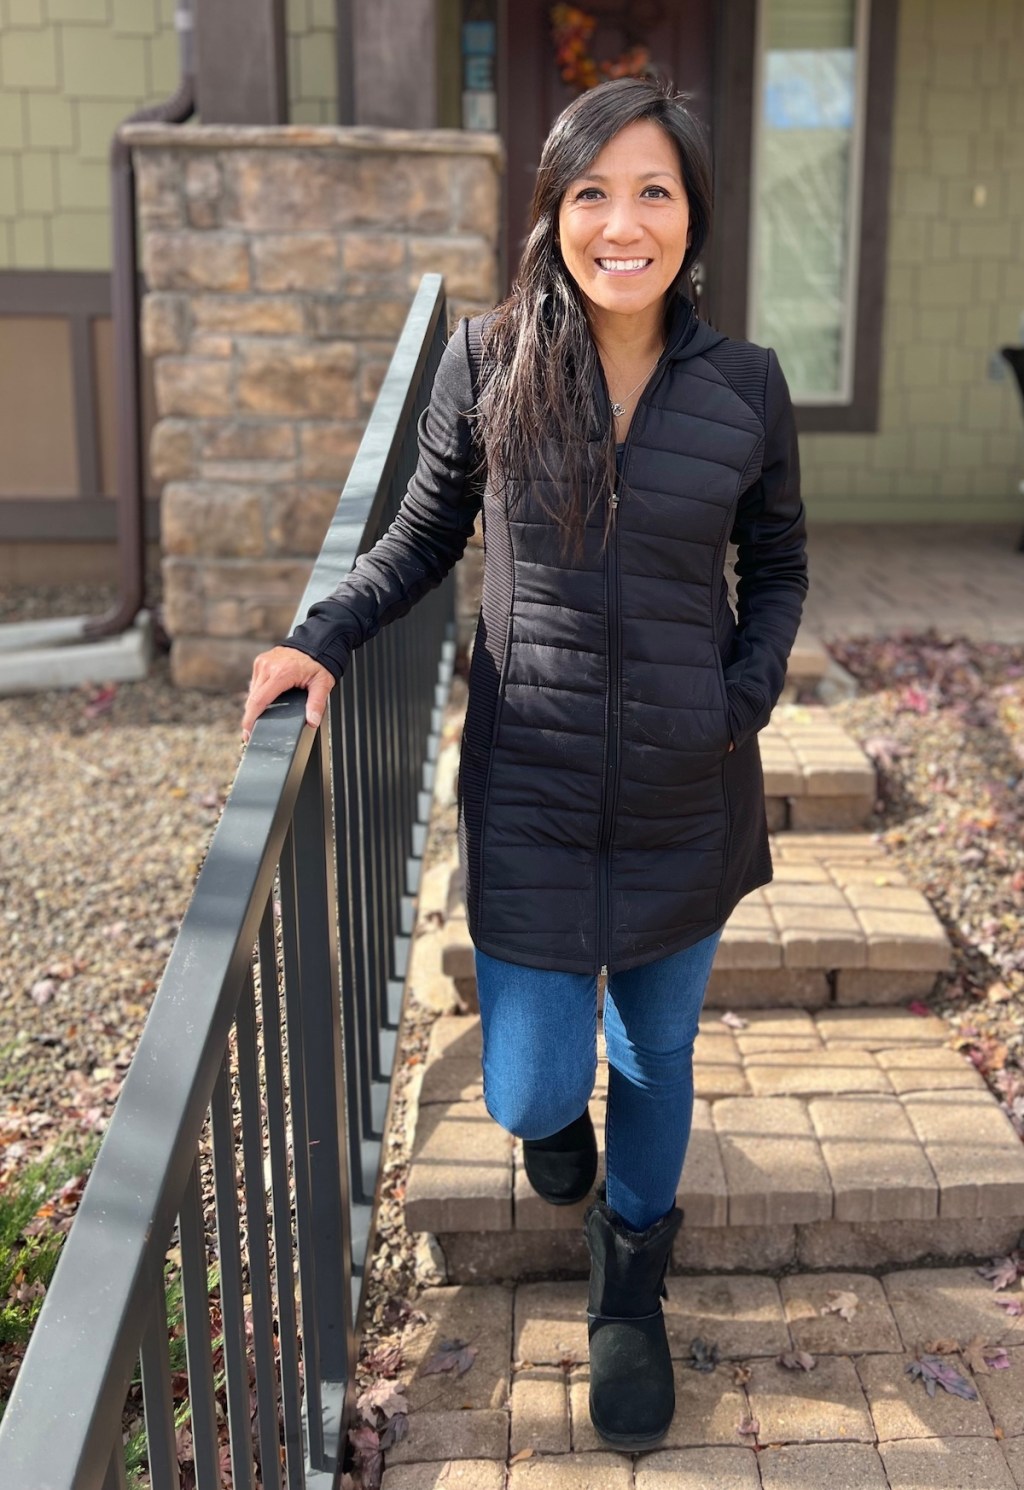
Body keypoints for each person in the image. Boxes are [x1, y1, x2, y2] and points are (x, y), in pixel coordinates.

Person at [242, 77, 807, 1452]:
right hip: (537, 794)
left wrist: (741, 695)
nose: (624, 222)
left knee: (659, 1058)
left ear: (694, 218)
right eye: (593, 192)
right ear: (554, 209)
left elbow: (778, 563)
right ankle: (564, 1143)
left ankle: (630, 1288)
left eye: (654, 192)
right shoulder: (490, 360)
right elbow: (424, 537)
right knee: (534, 1087)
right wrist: (323, 635)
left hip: (688, 789)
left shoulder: (744, 386)